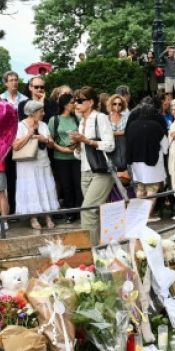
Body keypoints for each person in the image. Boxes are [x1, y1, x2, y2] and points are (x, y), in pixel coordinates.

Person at [69, 87, 116, 244]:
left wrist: (87, 141)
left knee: (87, 211)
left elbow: (110, 145)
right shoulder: (82, 121)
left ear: (90, 102)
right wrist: (77, 145)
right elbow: (79, 155)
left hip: (101, 171)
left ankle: (90, 251)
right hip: (85, 171)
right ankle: (103, 249)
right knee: (95, 213)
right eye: (75, 100)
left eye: (80, 100)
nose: (76, 103)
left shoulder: (100, 118)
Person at [13, 100, 58, 230]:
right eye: (40, 112)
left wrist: (45, 139)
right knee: (31, 187)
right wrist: (29, 135)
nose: (43, 114)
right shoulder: (21, 126)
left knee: (44, 186)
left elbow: (51, 144)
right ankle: (33, 217)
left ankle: (47, 215)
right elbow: (15, 146)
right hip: (27, 164)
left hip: (42, 161)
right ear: (32, 113)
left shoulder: (43, 125)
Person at [49, 94, 82, 224]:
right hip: (61, 157)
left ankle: (80, 210)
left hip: (76, 156)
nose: (75, 104)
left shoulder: (77, 119)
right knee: (67, 186)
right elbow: (50, 139)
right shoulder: (54, 119)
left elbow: (81, 135)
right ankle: (70, 212)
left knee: (78, 185)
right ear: (64, 104)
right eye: (72, 102)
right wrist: (61, 149)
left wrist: (76, 144)